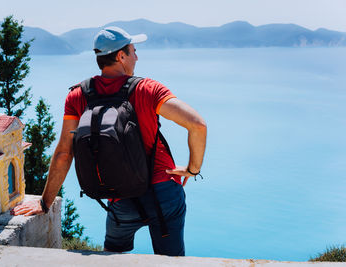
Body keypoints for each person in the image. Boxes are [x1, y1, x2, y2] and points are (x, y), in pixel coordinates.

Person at [12, 26, 207, 256]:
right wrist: (192, 170)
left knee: (111, 257)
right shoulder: (147, 89)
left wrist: (44, 203)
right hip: (163, 192)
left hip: (119, 194)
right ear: (120, 56)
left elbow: (65, 153)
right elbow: (197, 125)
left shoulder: (78, 95)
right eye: (133, 50)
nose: (137, 56)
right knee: (172, 261)